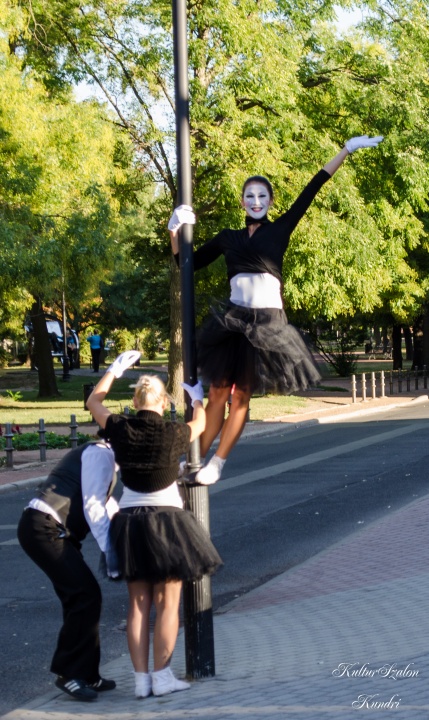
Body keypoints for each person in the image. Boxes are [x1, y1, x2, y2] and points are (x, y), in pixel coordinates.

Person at [169, 134, 384, 484]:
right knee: (217, 394)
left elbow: (315, 185)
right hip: (233, 321)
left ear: (270, 201)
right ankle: (193, 461)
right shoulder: (228, 237)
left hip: (267, 323)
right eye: (250, 196)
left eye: (262, 196)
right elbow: (185, 263)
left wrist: (346, 149)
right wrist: (175, 229)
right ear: (242, 201)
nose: (256, 201)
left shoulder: (281, 228)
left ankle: (217, 464)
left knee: (241, 397)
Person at [86, 351, 222, 699]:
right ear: (163, 402)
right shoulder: (174, 433)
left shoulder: (120, 428)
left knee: (137, 605)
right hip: (168, 523)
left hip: (129, 523)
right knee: (168, 603)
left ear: (135, 402)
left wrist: (114, 370)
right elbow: (201, 424)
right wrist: (196, 398)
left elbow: (93, 402)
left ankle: (141, 682)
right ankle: (162, 677)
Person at [17, 441, 120, 702]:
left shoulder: (102, 454)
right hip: (44, 527)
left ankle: (87, 674)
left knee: (83, 596)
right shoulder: (100, 453)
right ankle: (68, 674)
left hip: (49, 527)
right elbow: (94, 505)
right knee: (85, 595)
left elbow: (107, 504)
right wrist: (111, 553)